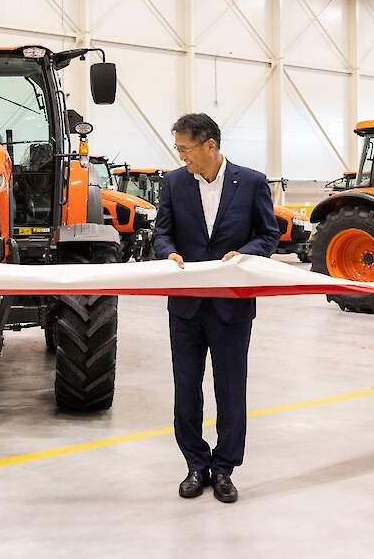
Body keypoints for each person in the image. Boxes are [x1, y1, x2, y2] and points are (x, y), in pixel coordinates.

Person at [153, 113, 280, 504]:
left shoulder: (252, 182)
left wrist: (244, 254)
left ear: (210, 145)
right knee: (186, 390)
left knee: (230, 390)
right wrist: (168, 253)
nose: (181, 156)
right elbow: (162, 231)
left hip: (231, 306)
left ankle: (224, 468)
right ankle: (195, 463)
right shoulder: (174, 183)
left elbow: (268, 234)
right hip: (187, 307)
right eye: (178, 149)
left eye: (185, 148)